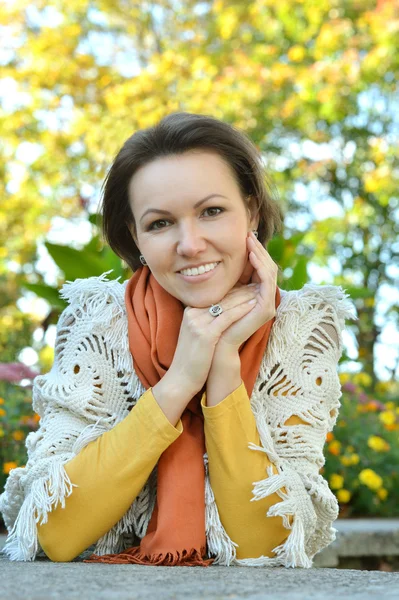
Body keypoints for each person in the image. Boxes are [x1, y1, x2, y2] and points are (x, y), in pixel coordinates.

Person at [0, 112, 358, 567]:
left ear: (250, 211)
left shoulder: (299, 329)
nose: (190, 244)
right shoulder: (98, 322)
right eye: (160, 223)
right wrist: (179, 383)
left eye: (212, 211)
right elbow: (55, 532)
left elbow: (267, 545)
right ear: (135, 235)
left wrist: (224, 361)